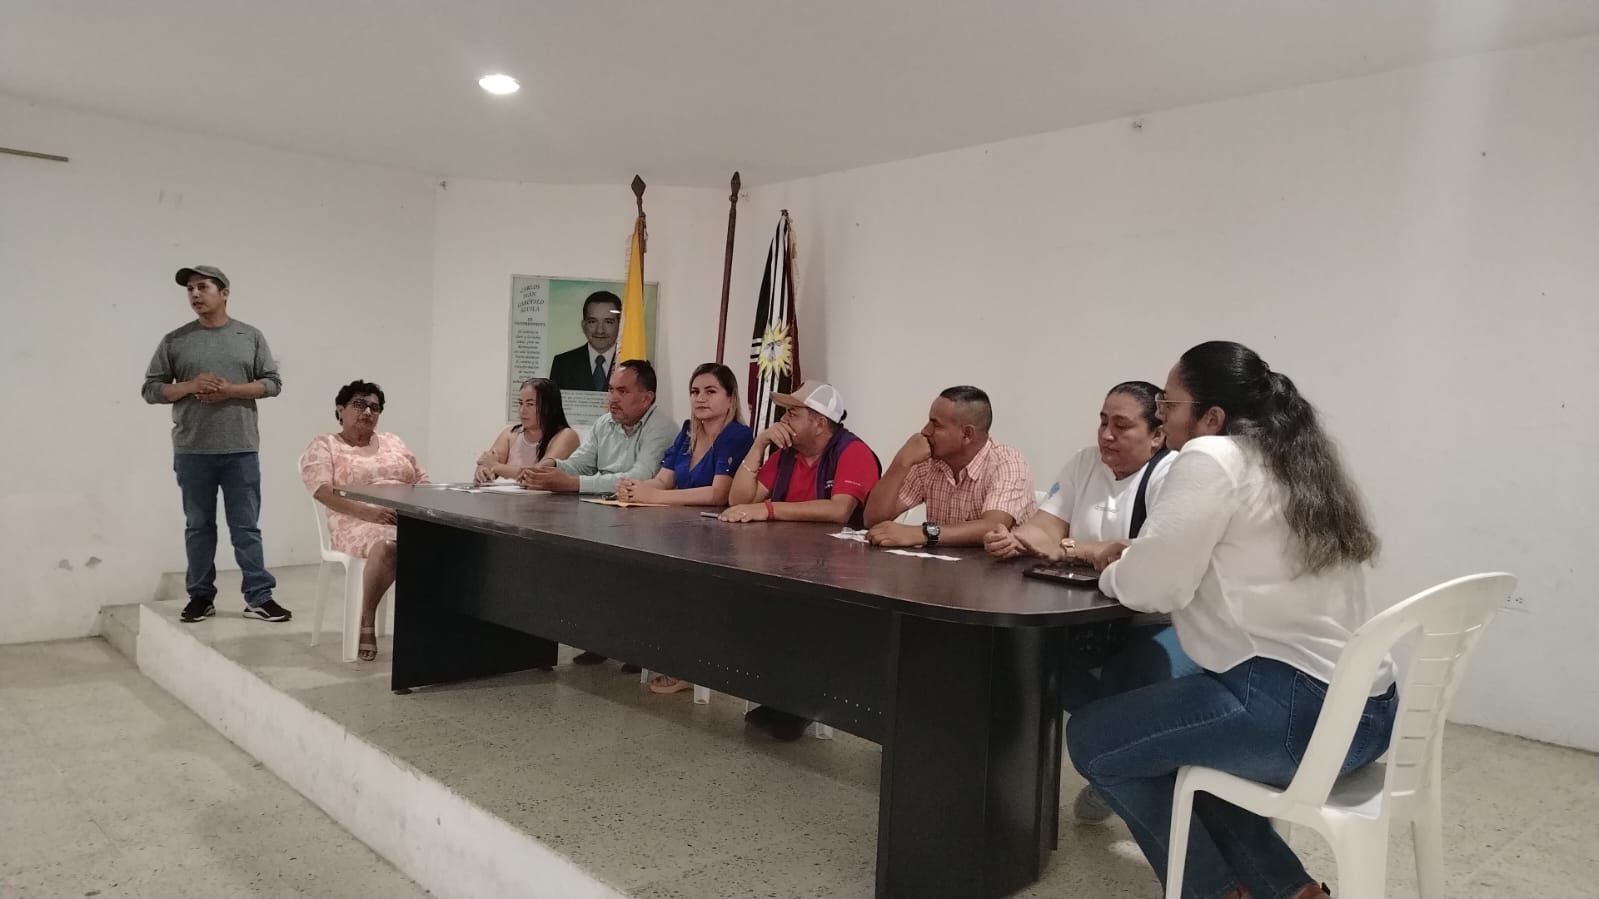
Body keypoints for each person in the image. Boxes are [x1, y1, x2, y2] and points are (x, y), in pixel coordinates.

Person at [1064, 342, 1397, 899]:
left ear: (1211, 417)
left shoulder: (1211, 456)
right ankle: (1292, 890)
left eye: (1169, 405)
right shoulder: (1296, 462)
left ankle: (1212, 891)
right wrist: (1141, 556)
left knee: (1094, 740)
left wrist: (1112, 568)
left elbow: (1153, 589)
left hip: (1294, 716)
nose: (1163, 417)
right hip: (1368, 715)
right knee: (1181, 750)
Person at [984, 380, 1196, 823]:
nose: (1106, 435)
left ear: (1157, 435)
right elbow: (1046, 527)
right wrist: (1015, 538)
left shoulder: (1173, 474)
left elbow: (1140, 552)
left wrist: (1071, 547)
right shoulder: (1084, 463)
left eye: (1121, 425)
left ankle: (1120, 770)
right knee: (1035, 666)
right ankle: (1118, 767)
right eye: (1102, 422)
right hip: (1084, 615)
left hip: (1157, 619)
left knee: (1130, 681)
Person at [722, 380, 880, 740]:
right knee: (751, 604)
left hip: (842, 572)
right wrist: (759, 444)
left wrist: (770, 509)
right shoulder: (786, 454)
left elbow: (839, 511)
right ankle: (781, 698)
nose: (784, 420)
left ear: (820, 422)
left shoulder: (852, 452)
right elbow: (739, 500)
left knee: (800, 616)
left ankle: (801, 704)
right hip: (789, 563)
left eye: (793, 413)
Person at [142, 265, 290, 624]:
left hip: (241, 449)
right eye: (190, 289)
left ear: (224, 293)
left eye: (202, 287)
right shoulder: (175, 340)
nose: (195, 294)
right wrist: (190, 385)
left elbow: (272, 383)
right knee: (198, 526)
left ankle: (259, 597)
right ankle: (200, 596)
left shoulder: (249, 336)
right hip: (193, 450)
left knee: (246, 528)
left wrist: (230, 390)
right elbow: (151, 390)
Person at [521, 358, 676, 668]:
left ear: (647, 398)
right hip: (604, 511)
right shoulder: (604, 423)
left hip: (645, 520)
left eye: (622, 391)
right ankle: (600, 639)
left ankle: (636, 648)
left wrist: (572, 483)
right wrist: (550, 467)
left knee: (629, 577)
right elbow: (580, 463)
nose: (613, 398)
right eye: (611, 390)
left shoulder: (662, 428)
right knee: (584, 564)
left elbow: (640, 476)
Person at [614, 362, 755, 694]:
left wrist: (655, 497)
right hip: (679, 529)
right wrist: (636, 487)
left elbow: (719, 494)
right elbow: (664, 479)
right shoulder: (689, 430)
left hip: (717, 538)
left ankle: (688, 666)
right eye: (694, 391)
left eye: (710, 391)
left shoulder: (736, 435)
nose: (700, 398)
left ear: (731, 398)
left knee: (681, 587)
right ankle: (646, 648)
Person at [299, 381, 428, 661]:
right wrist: (367, 513)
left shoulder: (393, 441)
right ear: (340, 410)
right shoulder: (325, 444)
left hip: (404, 515)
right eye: (359, 404)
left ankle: (435, 627)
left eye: (374, 407)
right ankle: (365, 617)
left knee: (453, 539)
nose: (367, 412)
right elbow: (322, 491)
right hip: (353, 519)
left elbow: (422, 479)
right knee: (388, 546)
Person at [862, 385, 1035, 547]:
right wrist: (901, 462)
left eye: (936, 424)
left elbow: (993, 526)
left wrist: (923, 533)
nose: (925, 431)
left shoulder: (1008, 463)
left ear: (967, 434)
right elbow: (873, 521)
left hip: (1002, 568)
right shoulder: (927, 462)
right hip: (943, 566)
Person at [473, 378, 579, 483]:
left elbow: (538, 473)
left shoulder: (567, 435)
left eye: (530, 404)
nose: (522, 410)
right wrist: (483, 470)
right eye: (520, 403)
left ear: (549, 407)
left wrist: (495, 467)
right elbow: (488, 461)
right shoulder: (511, 434)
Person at [547, 291, 622, 392]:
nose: (600, 330)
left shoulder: (631, 362)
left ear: (620, 326)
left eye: (608, 322)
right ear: (583, 326)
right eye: (592, 321)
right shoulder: (562, 364)